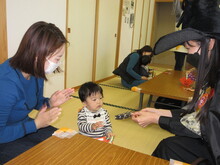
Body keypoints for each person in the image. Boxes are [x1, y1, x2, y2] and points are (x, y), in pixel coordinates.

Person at [132, 0, 220, 164]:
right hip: (210, 140)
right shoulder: (212, 72)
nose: (189, 53)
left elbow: (207, 128)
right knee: (168, 146)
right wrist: (158, 112)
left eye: (190, 47)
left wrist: (156, 120)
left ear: (211, 44)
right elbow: (198, 114)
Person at [0, 21, 75, 164]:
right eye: (58, 58)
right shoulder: (5, 84)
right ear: (38, 55)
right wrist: (36, 125)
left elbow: (32, 101)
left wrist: (50, 102)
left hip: (23, 125)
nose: (58, 63)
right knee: (42, 158)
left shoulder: (35, 72)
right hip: (4, 136)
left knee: (64, 145)